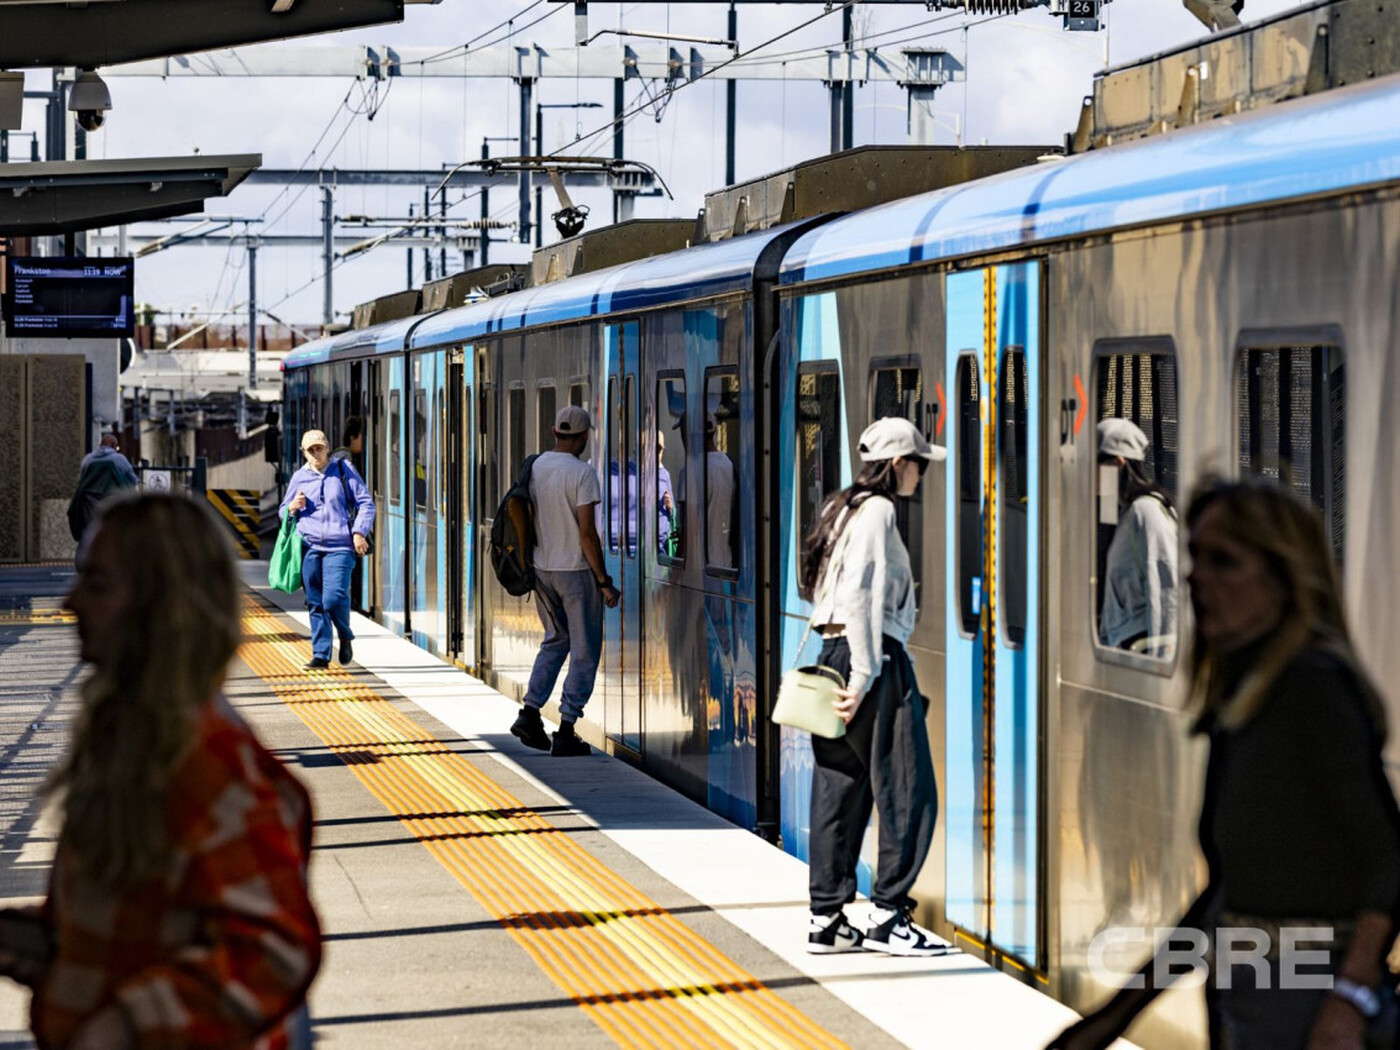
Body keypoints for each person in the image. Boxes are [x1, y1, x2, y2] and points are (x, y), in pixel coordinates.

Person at [1049, 476, 1400, 1050]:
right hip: (1254, 1001)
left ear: (1282, 578)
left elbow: (1388, 860)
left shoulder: (1312, 687)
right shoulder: (1247, 696)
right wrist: (1114, 1017)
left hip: (1306, 1007)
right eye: (1195, 557)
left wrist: (1350, 999)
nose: (1195, 577)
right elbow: (1226, 898)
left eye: (1224, 562)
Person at [0, 492, 321, 1049]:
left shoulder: (206, 760)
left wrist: (122, 1027)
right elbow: (124, 930)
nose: (70, 601)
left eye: (98, 585)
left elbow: (273, 949)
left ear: (161, 607)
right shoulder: (135, 743)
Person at [799, 416, 954, 958]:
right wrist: (866, 675)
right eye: (918, 464)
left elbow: (826, 590)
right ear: (898, 464)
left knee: (838, 789)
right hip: (872, 660)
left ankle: (827, 919)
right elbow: (862, 593)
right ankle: (889, 916)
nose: (921, 475)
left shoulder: (840, 508)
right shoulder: (881, 511)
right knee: (909, 790)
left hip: (832, 654)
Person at [509, 406, 620, 758]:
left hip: (542, 570)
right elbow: (587, 534)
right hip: (575, 572)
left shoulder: (536, 466)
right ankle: (567, 727)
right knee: (585, 651)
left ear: (555, 432)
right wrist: (603, 581)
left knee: (555, 640)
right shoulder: (583, 474)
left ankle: (530, 712)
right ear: (584, 437)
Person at [280, 429, 375, 670]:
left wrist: (358, 532)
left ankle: (344, 635)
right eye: (310, 450)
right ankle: (321, 654)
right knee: (315, 602)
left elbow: (366, 503)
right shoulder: (299, 477)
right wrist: (291, 507)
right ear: (304, 453)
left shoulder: (343, 469)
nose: (316, 454)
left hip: (340, 546)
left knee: (333, 598)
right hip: (309, 546)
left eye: (319, 448)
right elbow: (283, 511)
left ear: (327, 448)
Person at [1097, 418, 1179, 658]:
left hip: (1141, 649)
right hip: (1122, 647)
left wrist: (1162, 659)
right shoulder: (1125, 513)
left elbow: (1166, 584)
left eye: (1093, 464)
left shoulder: (1145, 511)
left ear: (1117, 463)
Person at [66, 433, 138, 543]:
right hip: (113, 508)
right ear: (113, 445)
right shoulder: (119, 459)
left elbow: (81, 482)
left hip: (89, 510)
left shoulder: (88, 460)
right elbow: (132, 481)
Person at [704, 416, 737, 571]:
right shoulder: (729, 464)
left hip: (704, 566)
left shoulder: (691, 470)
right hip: (727, 561)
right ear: (715, 430)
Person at [657, 429, 678, 559]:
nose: (656, 453)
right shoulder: (636, 474)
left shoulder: (665, 475)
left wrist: (670, 507)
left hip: (662, 544)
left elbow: (674, 512)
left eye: (659, 449)